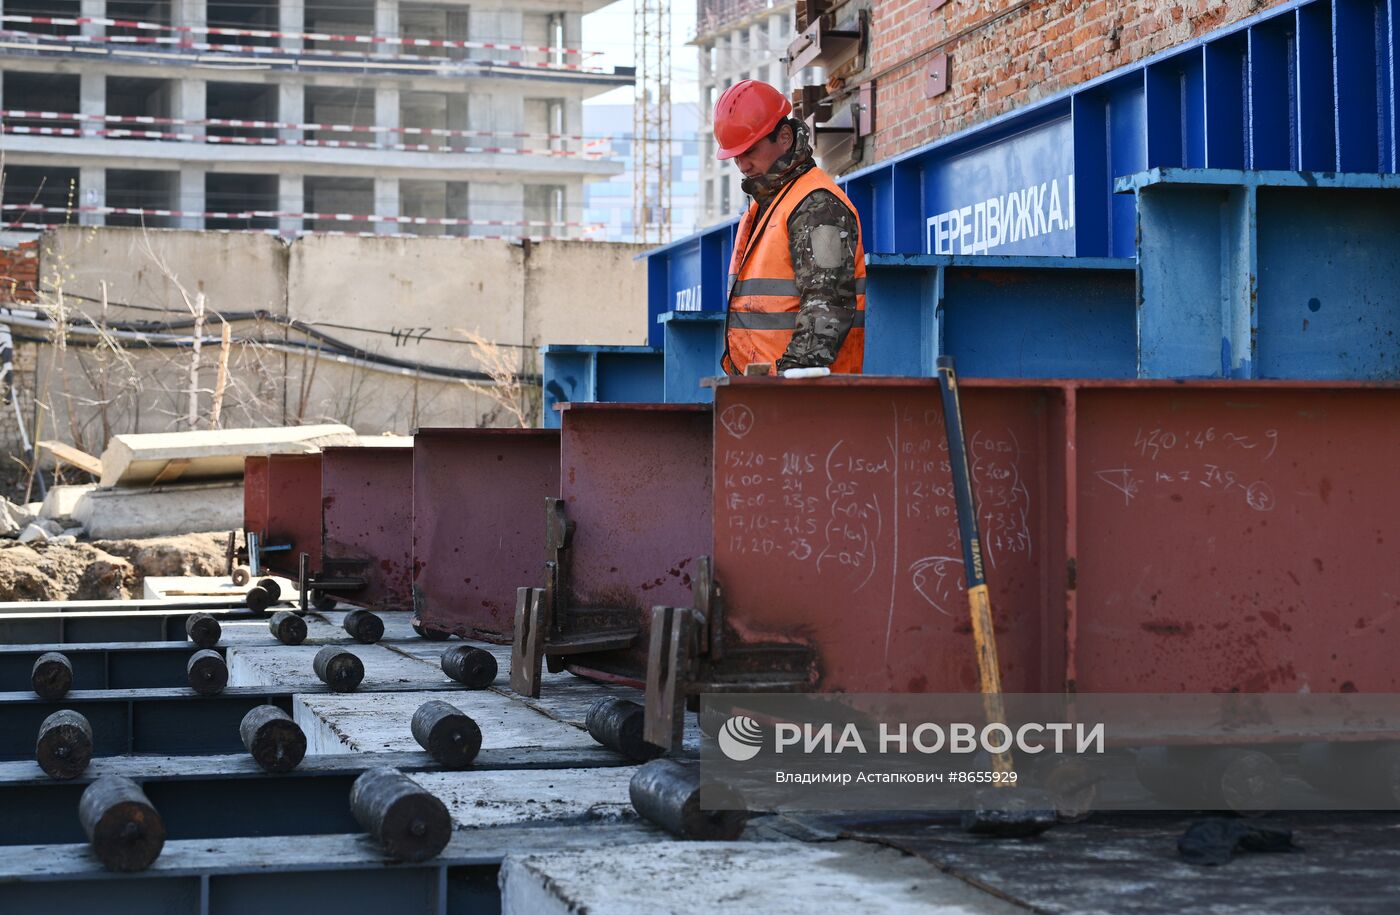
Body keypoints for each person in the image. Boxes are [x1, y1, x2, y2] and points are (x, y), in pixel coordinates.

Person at [713, 79, 866, 375]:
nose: (743, 165)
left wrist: (789, 383)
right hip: (768, 391)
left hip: (804, 397)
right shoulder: (767, 206)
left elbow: (827, 303)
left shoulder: (818, 205)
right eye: (736, 157)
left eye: (750, 151)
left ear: (784, 137)